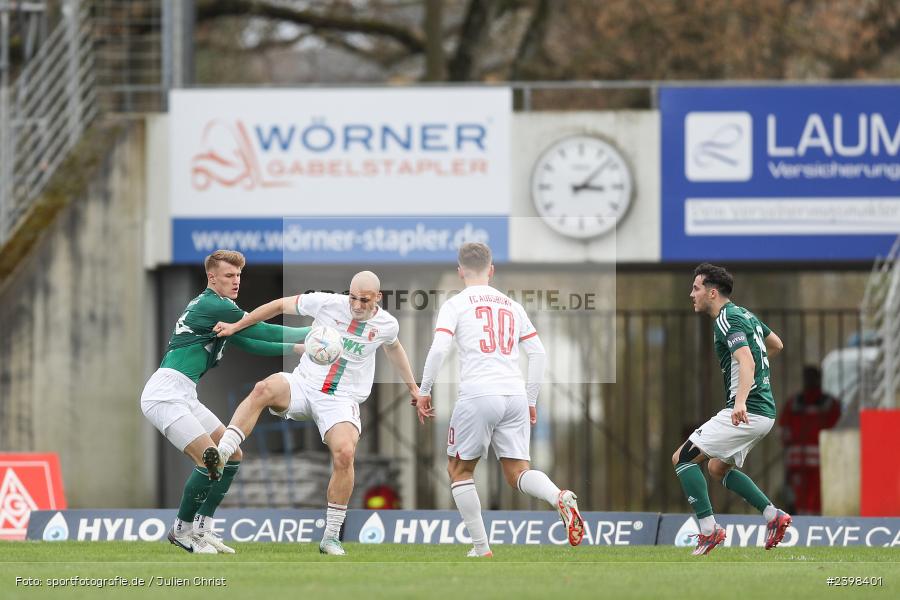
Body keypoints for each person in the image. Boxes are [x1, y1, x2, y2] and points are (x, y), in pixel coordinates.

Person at [212, 271, 421, 556]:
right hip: (304, 384)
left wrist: (413, 389)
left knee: (345, 454)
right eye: (353, 298)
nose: (357, 305)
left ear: (378, 298)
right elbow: (277, 305)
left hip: (341, 399)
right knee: (263, 388)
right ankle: (222, 452)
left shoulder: (386, 325)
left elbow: (394, 348)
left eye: (364, 300)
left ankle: (331, 537)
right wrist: (238, 324)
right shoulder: (326, 303)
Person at [416, 242, 584, 558]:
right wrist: (531, 399)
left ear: (459, 271)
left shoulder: (456, 304)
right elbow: (538, 353)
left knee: (459, 471)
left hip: (479, 394)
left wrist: (425, 391)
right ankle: (558, 496)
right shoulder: (512, 305)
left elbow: (439, 349)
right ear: (491, 270)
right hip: (515, 395)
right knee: (518, 472)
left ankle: (481, 548)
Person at [140, 249, 310, 554]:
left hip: (184, 393)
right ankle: (181, 530)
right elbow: (263, 328)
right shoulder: (211, 304)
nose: (236, 281)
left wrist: (297, 348)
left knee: (231, 456)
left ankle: (202, 528)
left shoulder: (223, 310)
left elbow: (250, 342)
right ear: (212, 277)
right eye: (229, 275)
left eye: (239, 276)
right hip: (165, 393)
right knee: (210, 459)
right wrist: (311, 332)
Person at [672, 263, 791, 556]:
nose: (692, 294)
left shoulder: (727, 319)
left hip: (747, 410)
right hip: (764, 413)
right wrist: (755, 376)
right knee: (716, 467)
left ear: (712, 292)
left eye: (696, 288)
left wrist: (740, 401)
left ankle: (709, 531)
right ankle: (772, 516)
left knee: (683, 458)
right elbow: (775, 344)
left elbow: (747, 361)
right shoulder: (745, 314)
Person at [779, 366, 841, 515]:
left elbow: (783, 432)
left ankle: (800, 524)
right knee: (816, 496)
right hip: (820, 460)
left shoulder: (793, 402)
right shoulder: (830, 403)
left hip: (797, 460)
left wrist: (791, 444)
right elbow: (836, 431)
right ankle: (813, 523)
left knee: (799, 496)